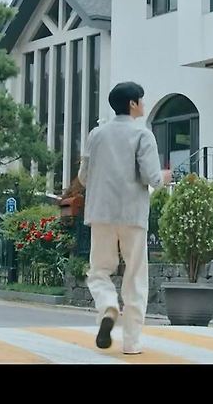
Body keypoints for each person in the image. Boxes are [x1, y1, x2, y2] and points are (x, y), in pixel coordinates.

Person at [76, 81, 171, 354]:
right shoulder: (143, 135)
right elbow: (151, 177)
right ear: (132, 103)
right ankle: (131, 343)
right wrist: (163, 177)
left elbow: (83, 177)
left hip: (100, 213)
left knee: (99, 270)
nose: (143, 103)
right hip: (133, 215)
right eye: (141, 99)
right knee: (135, 276)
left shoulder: (96, 134)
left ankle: (107, 306)